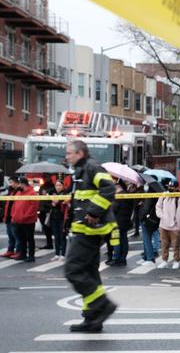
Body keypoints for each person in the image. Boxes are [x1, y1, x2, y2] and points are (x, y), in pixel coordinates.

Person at [64, 140, 118, 332]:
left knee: (73, 270)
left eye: (69, 153)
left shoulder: (92, 167)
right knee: (89, 273)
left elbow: (109, 189)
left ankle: (102, 305)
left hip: (91, 230)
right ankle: (93, 319)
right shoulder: (81, 170)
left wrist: (94, 213)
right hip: (84, 229)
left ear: (79, 153)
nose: (67, 157)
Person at [156, 180, 180, 269]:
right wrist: (162, 216)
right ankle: (164, 260)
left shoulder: (179, 196)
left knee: (175, 245)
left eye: (172, 187)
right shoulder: (164, 195)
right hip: (163, 224)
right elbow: (158, 207)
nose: (170, 188)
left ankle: (176, 261)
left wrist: (177, 224)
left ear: (176, 187)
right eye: (169, 186)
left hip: (175, 225)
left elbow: (179, 212)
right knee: (164, 244)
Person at [11, 177, 39, 262]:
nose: (18, 185)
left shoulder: (32, 193)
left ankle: (31, 256)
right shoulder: (18, 193)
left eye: (19, 184)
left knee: (30, 239)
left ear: (23, 184)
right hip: (18, 220)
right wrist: (13, 216)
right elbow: (14, 206)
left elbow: (33, 207)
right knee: (21, 238)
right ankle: (22, 254)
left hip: (28, 221)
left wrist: (24, 216)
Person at [136, 180, 162, 266]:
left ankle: (150, 258)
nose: (145, 185)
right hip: (151, 219)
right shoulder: (155, 193)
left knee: (147, 239)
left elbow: (146, 208)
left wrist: (142, 216)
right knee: (146, 239)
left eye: (146, 183)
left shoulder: (150, 194)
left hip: (147, 220)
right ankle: (146, 257)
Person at [108, 180, 134, 267]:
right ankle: (123, 259)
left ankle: (117, 258)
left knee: (116, 241)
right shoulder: (127, 194)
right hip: (125, 221)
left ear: (118, 186)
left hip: (117, 222)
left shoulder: (119, 196)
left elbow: (114, 209)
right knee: (124, 240)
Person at [49, 180, 69, 260]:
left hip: (62, 217)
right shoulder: (52, 193)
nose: (58, 187)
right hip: (54, 217)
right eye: (56, 185)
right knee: (56, 236)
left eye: (60, 185)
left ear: (63, 186)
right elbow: (46, 203)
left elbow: (66, 204)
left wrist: (58, 202)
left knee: (62, 236)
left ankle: (63, 254)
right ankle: (57, 253)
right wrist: (51, 203)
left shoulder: (65, 194)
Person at [0, 177, 19, 258]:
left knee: (16, 236)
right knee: (10, 235)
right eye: (9, 182)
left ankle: (18, 251)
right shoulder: (10, 191)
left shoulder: (18, 191)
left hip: (13, 216)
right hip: (8, 216)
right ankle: (10, 250)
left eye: (11, 182)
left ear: (16, 183)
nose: (10, 184)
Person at [37, 178, 54, 249]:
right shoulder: (42, 186)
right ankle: (49, 243)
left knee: (48, 228)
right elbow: (40, 197)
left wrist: (46, 192)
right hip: (42, 209)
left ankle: (50, 243)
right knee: (45, 228)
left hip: (47, 210)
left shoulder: (53, 187)